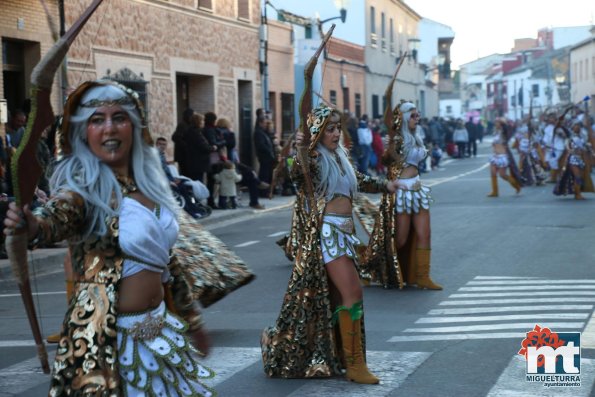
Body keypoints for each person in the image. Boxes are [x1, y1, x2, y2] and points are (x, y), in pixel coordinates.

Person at [3, 81, 214, 396]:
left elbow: (169, 263)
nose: (109, 128)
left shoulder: (151, 186)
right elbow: (55, 220)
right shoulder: (81, 191)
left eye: (119, 117)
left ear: (134, 125)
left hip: (160, 334)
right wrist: (31, 226)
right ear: (83, 132)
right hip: (103, 346)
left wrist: (193, 321)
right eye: (96, 119)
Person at [261, 104, 398, 384]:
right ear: (318, 133)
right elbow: (299, 173)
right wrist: (300, 149)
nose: (336, 134)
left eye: (337, 128)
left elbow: (359, 180)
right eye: (330, 129)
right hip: (328, 235)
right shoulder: (314, 160)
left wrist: (386, 186)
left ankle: (343, 357)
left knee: (340, 297)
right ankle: (355, 365)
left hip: (346, 234)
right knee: (353, 293)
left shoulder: (340, 158)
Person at [362, 102, 441, 290]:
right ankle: (373, 265)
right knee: (400, 240)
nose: (417, 118)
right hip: (402, 192)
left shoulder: (416, 137)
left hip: (418, 189)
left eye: (417, 115)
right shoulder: (396, 139)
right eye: (413, 116)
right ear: (405, 118)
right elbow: (386, 162)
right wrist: (388, 148)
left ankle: (423, 277)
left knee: (425, 234)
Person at [553, 120, 594, 199]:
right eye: (575, 125)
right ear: (572, 126)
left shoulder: (582, 136)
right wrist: (560, 121)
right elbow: (560, 127)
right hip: (573, 158)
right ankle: (578, 194)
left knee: (580, 177)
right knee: (577, 176)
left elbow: (586, 147)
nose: (577, 127)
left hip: (582, 159)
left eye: (578, 125)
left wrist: (589, 149)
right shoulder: (569, 135)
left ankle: (577, 193)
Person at [487, 118, 523, 197]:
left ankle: (517, 186)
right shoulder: (495, 132)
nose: (495, 123)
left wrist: (504, 121)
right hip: (495, 155)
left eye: (497, 122)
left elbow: (510, 127)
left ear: (501, 124)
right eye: (495, 122)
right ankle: (495, 192)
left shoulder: (504, 133)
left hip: (502, 156)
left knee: (502, 175)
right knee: (492, 173)